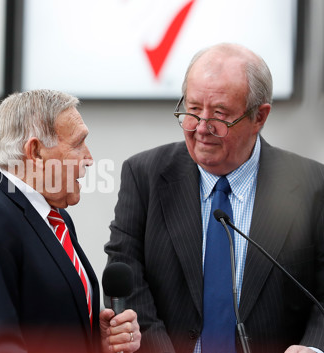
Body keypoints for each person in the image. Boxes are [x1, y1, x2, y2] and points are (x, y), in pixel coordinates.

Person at [105, 42, 324, 353]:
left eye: (220, 115)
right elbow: (127, 278)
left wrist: (314, 348)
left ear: (259, 117)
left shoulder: (312, 186)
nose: (202, 128)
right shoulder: (145, 176)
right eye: (193, 110)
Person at [0, 89, 141, 353]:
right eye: (78, 143)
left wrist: (97, 340)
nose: (89, 158)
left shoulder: (55, 217)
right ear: (36, 152)